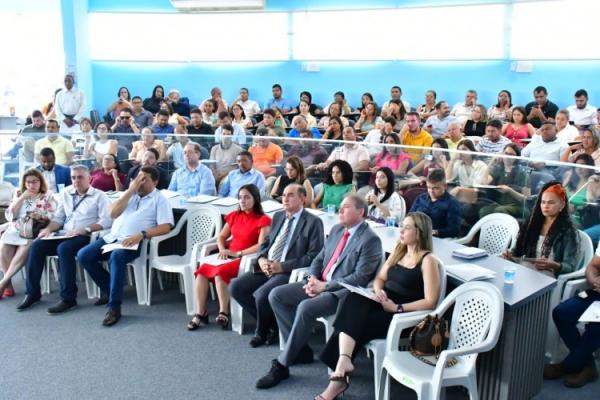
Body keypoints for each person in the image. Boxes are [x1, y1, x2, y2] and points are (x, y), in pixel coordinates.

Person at [255, 194, 383, 389]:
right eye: (340, 206)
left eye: (346, 207)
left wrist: (325, 286)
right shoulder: (337, 229)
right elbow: (318, 259)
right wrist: (311, 279)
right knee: (276, 295)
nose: (340, 210)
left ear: (361, 212)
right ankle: (300, 350)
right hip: (319, 283)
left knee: (306, 307)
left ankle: (282, 364)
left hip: (341, 293)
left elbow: (359, 278)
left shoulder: (370, 240)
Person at [316, 212, 440, 400]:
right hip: (384, 304)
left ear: (420, 232)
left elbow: (431, 301)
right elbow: (379, 279)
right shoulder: (399, 251)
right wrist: (379, 290)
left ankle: (339, 376)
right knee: (353, 299)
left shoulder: (428, 260)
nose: (401, 230)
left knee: (353, 323)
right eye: (402, 225)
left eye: (407, 227)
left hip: (403, 317)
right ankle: (344, 362)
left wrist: (397, 308)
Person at [230, 184, 324, 346]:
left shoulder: (313, 222)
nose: (285, 199)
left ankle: (261, 331)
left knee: (261, 295)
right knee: (235, 287)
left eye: (290, 195)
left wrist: (282, 267)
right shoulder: (279, 216)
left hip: (287, 271)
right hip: (266, 266)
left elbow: (314, 257)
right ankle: (273, 324)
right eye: (284, 195)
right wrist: (261, 259)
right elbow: (266, 244)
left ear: (302, 199)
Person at [79, 167, 173, 326]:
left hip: (135, 242)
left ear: (155, 182)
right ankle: (110, 290)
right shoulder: (130, 194)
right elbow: (112, 214)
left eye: (144, 180)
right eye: (138, 179)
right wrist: (130, 190)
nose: (140, 183)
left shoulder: (160, 199)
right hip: (113, 238)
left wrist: (141, 234)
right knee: (84, 255)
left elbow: (166, 227)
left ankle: (114, 307)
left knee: (116, 257)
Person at [16, 165, 112, 313]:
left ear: (89, 179)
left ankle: (68, 299)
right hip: (65, 233)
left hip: (85, 235)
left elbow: (106, 221)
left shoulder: (100, 196)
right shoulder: (66, 193)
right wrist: (48, 229)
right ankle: (33, 293)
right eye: (73, 177)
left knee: (64, 249)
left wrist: (85, 229)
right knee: (37, 245)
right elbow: (59, 218)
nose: (76, 181)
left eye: (80, 177)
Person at [188, 184, 271, 330]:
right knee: (201, 271)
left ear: (256, 199)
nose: (242, 201)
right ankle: (201, 312)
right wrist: (222, 249)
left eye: (247, 197)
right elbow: (221, 236)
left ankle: (223, 312)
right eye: (240, 197)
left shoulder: (263, 219)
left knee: (220, 273)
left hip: (244, 258)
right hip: (227, 256)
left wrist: (238, 253)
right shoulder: (234, 215)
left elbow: (261, 245)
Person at [544, 249, 600, 388]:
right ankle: (588, 365)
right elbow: (593, 266)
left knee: (597, 325)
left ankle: (567, 366)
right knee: (562, 313)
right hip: (597, 292)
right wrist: (594, 281)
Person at [0, 169, 57, 298]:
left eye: (35, 182)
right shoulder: (20, 194)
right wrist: (21, 198)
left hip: (35, 230)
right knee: (4, 246)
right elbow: (10, 215)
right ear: (25, 183)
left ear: (40, 182)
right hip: (17, 227)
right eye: (29, 182)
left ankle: (3, 282)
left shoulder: (47, 195)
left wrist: (40, 215)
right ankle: (8, 285)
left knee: (26, 245)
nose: (32, 185)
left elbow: (54, 215)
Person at [503, 182, 580, 277]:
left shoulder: (568, 231)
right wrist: (509, 255)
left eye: (551, 202)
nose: (546, 206)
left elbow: (570, 266)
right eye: (543, 202)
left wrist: (555, 265)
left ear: (562, 205)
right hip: (526, 268)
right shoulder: (533, 224)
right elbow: (517, 251)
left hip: (549, 275)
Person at [479, 143, 530, 218]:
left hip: (518, 207)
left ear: (517, 158)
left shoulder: (522, 173)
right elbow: (483, 183)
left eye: (511, 154)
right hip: (500, 204)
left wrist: (510, 190)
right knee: (484, 211)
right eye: (506, 153)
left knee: (500, 210)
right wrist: (491, 163)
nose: (507, 156)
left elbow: (527, 199)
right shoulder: (498, 169)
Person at [409, 169, 461, 238]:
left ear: (445, 186)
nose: (431, 191)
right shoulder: (421, 198)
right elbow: (410, 216)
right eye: (429, 187)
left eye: (436, 188)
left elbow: (455, 230)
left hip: (437, 238)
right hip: (416, 234)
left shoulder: (451, 203)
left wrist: (436, 232)